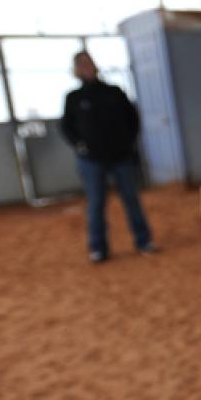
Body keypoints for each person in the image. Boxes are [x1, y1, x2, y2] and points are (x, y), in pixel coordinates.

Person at [60, 51, 154, 263]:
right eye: (81, 64)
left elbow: (132, 119)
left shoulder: (114, 92)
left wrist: (128, 142)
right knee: (95, 204)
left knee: (131, 200)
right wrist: (80, 146)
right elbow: (66, 127)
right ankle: (98, 248)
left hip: (121, 156)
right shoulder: (73, 98)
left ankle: (143, 241)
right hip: (92, 160)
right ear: (76, 70)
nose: (86, 67)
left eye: (88, 62)